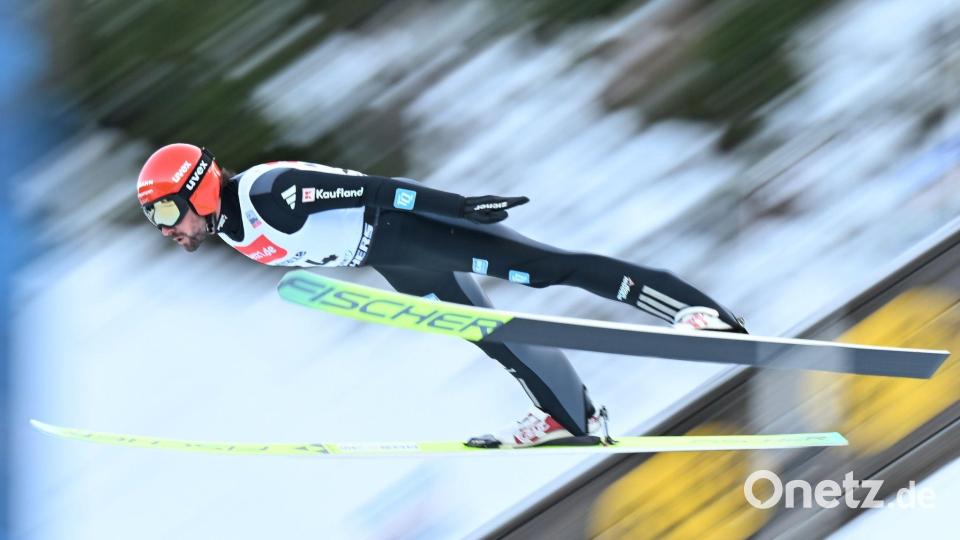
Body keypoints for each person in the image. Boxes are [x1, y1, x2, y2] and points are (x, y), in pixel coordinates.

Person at [136, 143, 747, 448]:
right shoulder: (235, 234)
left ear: (198, 188)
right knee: (488, 334)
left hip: (418, 228)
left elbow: (375, 189)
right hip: (392, 258)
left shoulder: (271, 194)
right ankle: (572, 416)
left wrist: (459, 208)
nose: (167, 228)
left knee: (545, 270)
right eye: (153, 218)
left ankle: (700, 315)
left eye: (166, 210)